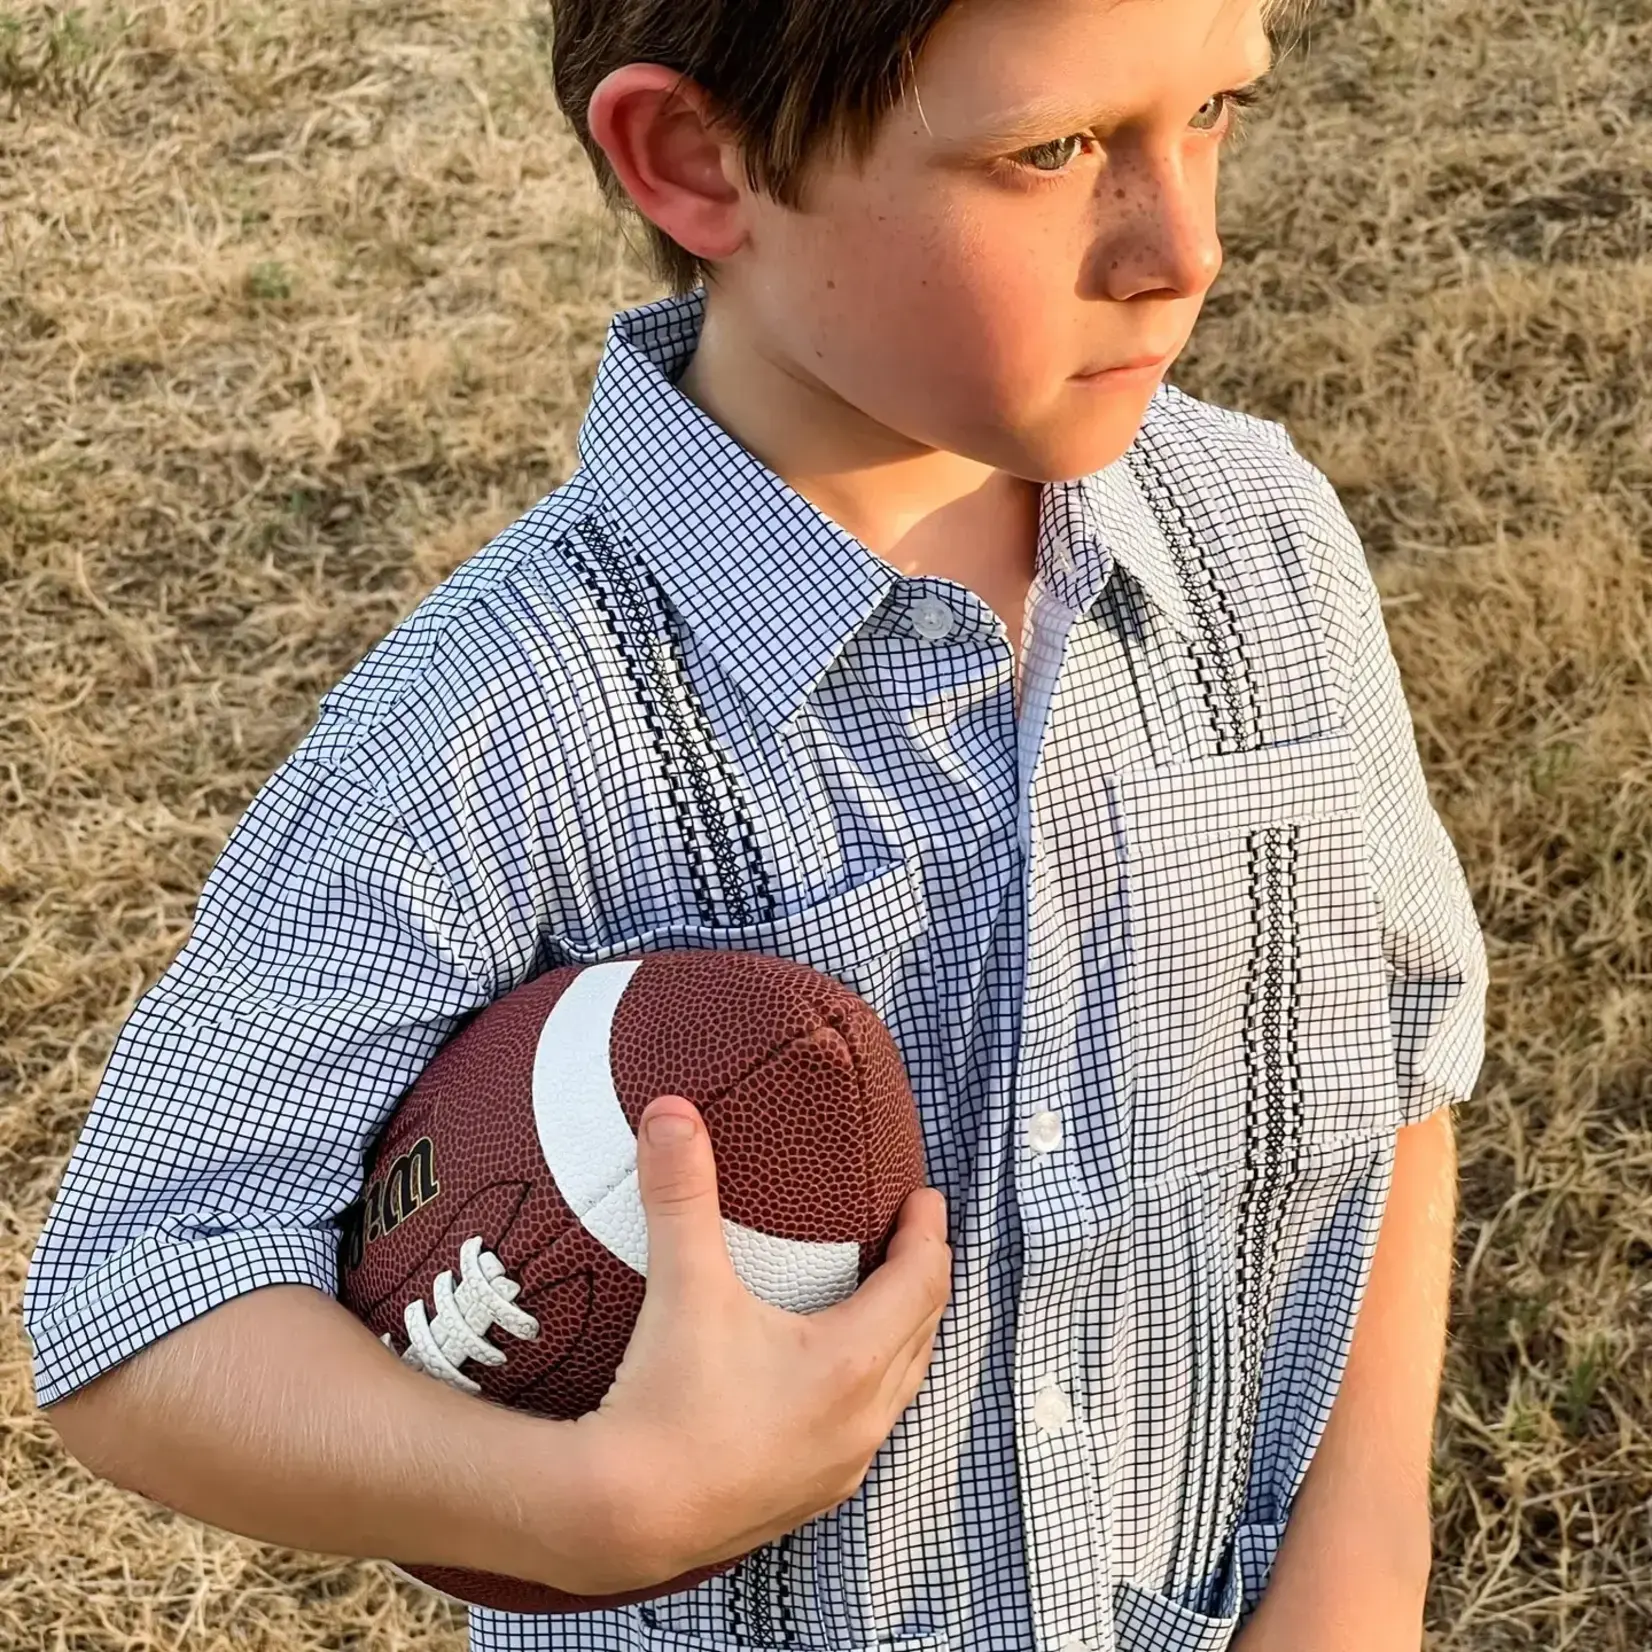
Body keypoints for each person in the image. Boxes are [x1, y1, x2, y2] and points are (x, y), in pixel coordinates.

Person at [20, 0, 1487, 1647]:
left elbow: (1393, 1059)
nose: (1186, 248)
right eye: (1055, 150)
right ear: (698, 160)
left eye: (1213, 109)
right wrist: (591, 1512)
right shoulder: (501, 718)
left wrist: (1362, 1563)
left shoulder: (1265, 546)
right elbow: (137, 1309)